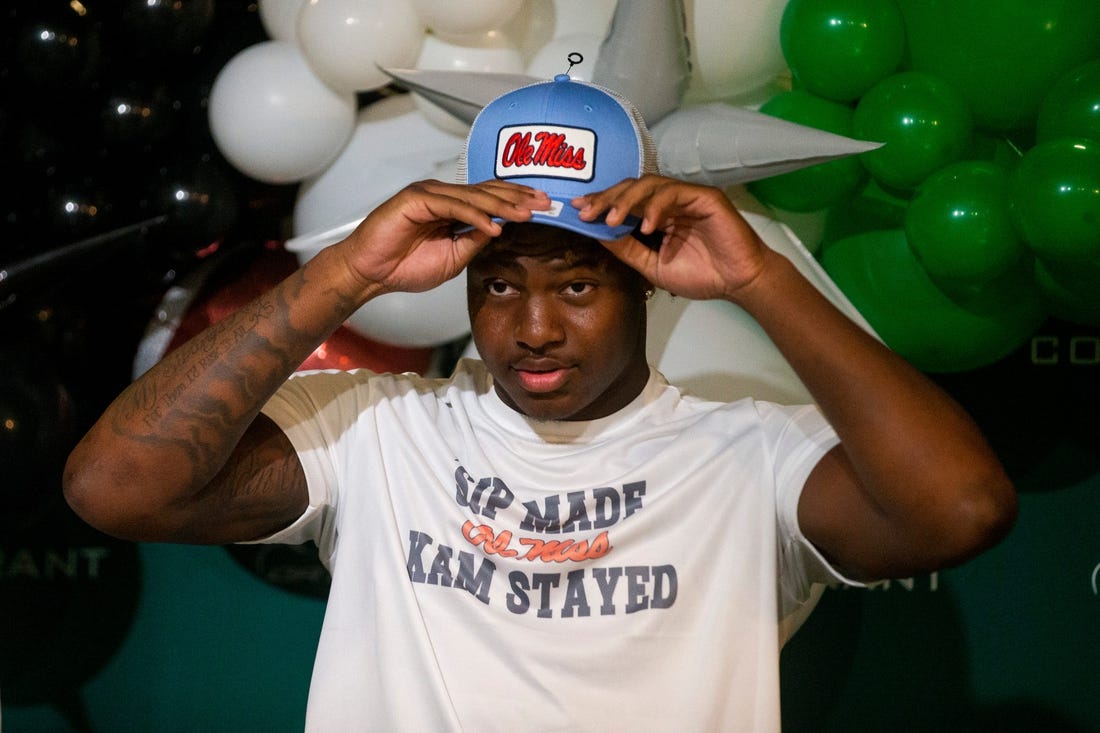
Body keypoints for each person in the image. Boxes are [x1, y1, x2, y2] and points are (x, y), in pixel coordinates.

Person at [63, 76, 1016, 731]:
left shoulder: (747, 451)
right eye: (502, 283)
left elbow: (962, 507)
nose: (534, 328)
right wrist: (346, 273)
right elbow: (114, 487)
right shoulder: (376, 428)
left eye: (575, 284)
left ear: (646, 280)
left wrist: (758, 277)